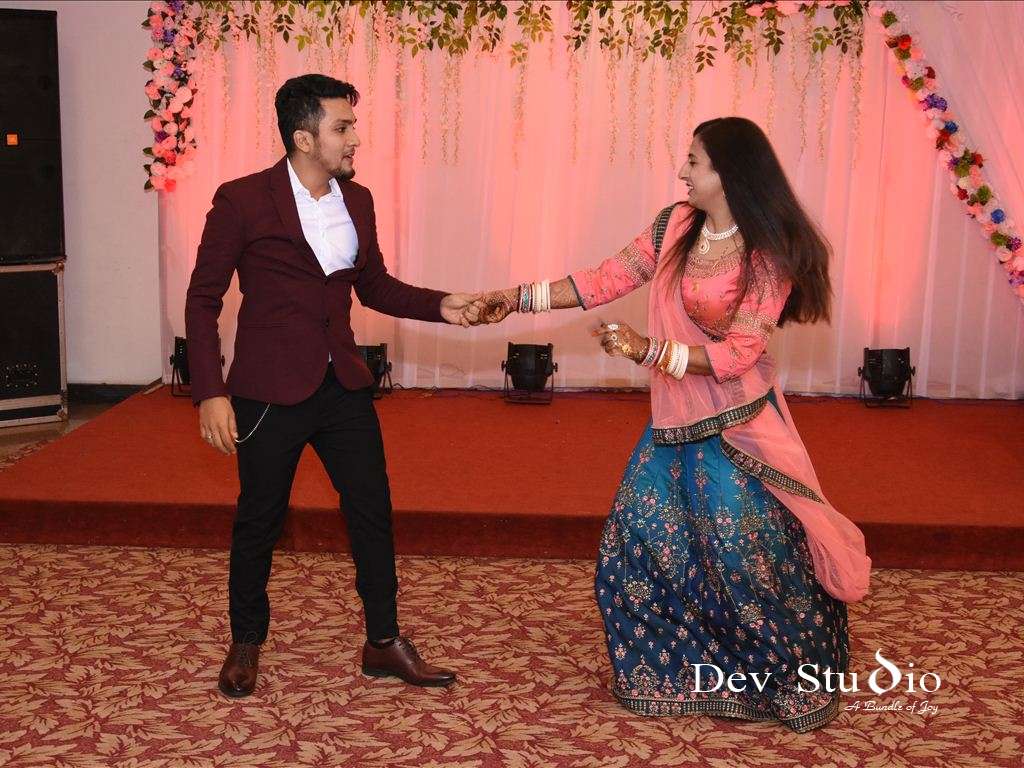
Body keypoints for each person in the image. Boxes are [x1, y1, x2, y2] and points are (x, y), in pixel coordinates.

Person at [474, 117, 871, 732]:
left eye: (694, 161)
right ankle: (675, 672)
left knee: (743, 555)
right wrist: (516, 298)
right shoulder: (675, 226)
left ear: (728, 174)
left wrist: (647, 351)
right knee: (636, 541)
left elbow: (739, 355)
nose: (683, 171)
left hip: (736, 423)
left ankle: (786, 675)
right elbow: (603, 279)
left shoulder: (767, 255)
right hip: (675, 417)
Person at [185, 74, 483, 698]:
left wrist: (442, 305)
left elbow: (374, 286)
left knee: (371, 510)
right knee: (260, 518)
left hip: (342, 383)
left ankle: (383, 641)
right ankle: (246, 641)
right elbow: (203, 298)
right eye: (342, 127)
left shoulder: (359, 200)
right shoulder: (242, 200)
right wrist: (210, 390)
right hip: (267, 390)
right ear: (303, 138)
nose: (355, 139)